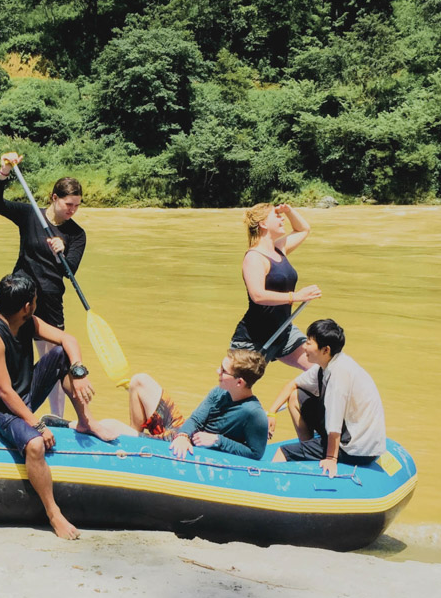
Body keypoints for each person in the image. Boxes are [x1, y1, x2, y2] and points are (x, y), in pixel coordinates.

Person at [0, 273, 117, 540]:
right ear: (27, 306)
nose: (36, 304)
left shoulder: (28, 322)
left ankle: (86, 422)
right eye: (35, 301)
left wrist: (79, 371)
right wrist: (37, 424)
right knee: (36, 445)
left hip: (22, 395)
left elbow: (68, 340)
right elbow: (4, 393)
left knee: (61, 355)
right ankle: (54, 513)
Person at [0, 151, 86, 418]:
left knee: (55, 361)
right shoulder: (31, 215)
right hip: (21, 299)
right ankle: (8, 409)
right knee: (12, 356)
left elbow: (71, 270)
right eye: (68, 204)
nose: (72, 210)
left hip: (51, 302)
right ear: (54, 198)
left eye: (77, 206)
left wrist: (62, 250)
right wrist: (4, 173)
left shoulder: (76, 234)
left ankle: (57, 417)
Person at [98, 350, 269, 460]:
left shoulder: (254, 414)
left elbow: (256, 453)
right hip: (182, 434)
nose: (218, 372)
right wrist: (183, 436)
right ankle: (135, 441)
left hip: (193, 447)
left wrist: (218, 440)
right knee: (139, 381)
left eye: (224, 371)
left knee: (108, 425)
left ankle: (131, 440)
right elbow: (195, 419)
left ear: (239, 382)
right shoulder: (219, 392)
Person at [269, 319, 386, 476]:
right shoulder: (327, 365)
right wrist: (272, 412)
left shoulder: (339, 376)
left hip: (355, 449)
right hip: (352, 431)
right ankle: (308, 447)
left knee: (283, 452)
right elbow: (293, 385)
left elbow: (334, 424)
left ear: (325, 350)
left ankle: (305, 460)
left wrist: (331, 458)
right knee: (295, 397)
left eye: (309, 343)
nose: (304, 347)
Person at [230, 203, 322, 368]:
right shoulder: (254, 257)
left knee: (320, 370)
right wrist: (296, 296)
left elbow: (303, 230)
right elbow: (258, 295)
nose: (282, 219)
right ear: (263, 224)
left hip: (284, 332)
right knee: (232, 390)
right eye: (277, 216)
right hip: (253, 340)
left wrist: (288, 211)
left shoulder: (279, 248)